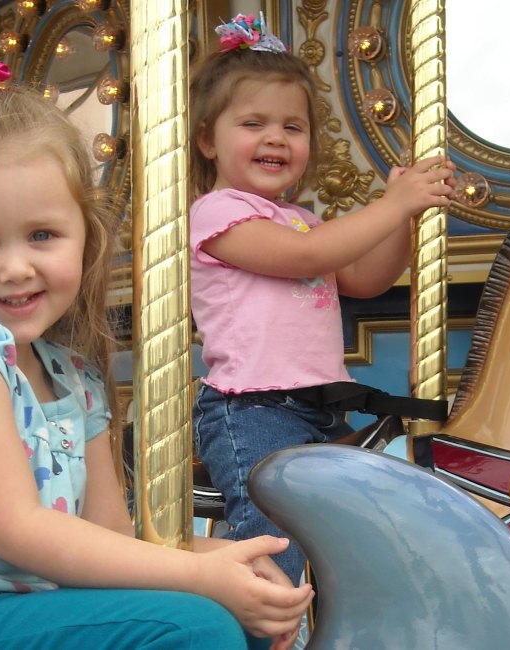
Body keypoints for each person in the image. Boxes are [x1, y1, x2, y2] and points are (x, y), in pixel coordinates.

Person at [0, 43, 311, 650]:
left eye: (42, 235)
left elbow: (108, 532)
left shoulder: (71, 375)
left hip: (13, 611)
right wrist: (198, 576)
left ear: (86, 236)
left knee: (221, 610)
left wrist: (227, 558)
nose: (15, 267)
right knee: (192, 626)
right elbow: (20, 533)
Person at [189, 15, 455, 585]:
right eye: (253, 123)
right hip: (251, 410)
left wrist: (405, 216)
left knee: (349, 537)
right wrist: (391, 206)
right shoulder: (218, 214)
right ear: (208, 138)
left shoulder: (302, 220)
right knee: (273, 543)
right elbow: (310, 258)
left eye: (293, 126)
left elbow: (366, 278)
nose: (276, 138)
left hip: (315, 410)